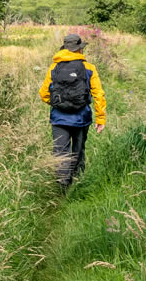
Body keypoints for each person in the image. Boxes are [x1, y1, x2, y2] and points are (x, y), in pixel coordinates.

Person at [39, 33, 106, 189]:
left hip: (59, 118)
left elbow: (43, 94)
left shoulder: (54, 67)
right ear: (80, 50)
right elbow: (98, 94)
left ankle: (62, 186)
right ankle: (78, 183)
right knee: (78, 149)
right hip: (81, 117)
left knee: (60, 151)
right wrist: (100, 119)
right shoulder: (89, 68)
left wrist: (58, 103)